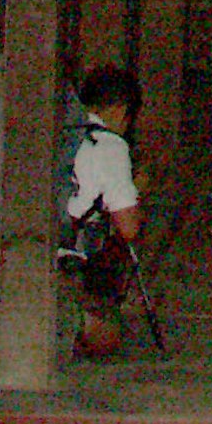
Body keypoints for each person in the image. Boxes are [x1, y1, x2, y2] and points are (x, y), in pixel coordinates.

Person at [57, 65, 143, 359]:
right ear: (120, 110)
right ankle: (81, 324)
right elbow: (129, 227)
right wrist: (137, 189)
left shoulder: (60, 132)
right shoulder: (111, 146)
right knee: (108, 341)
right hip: (70, 261)